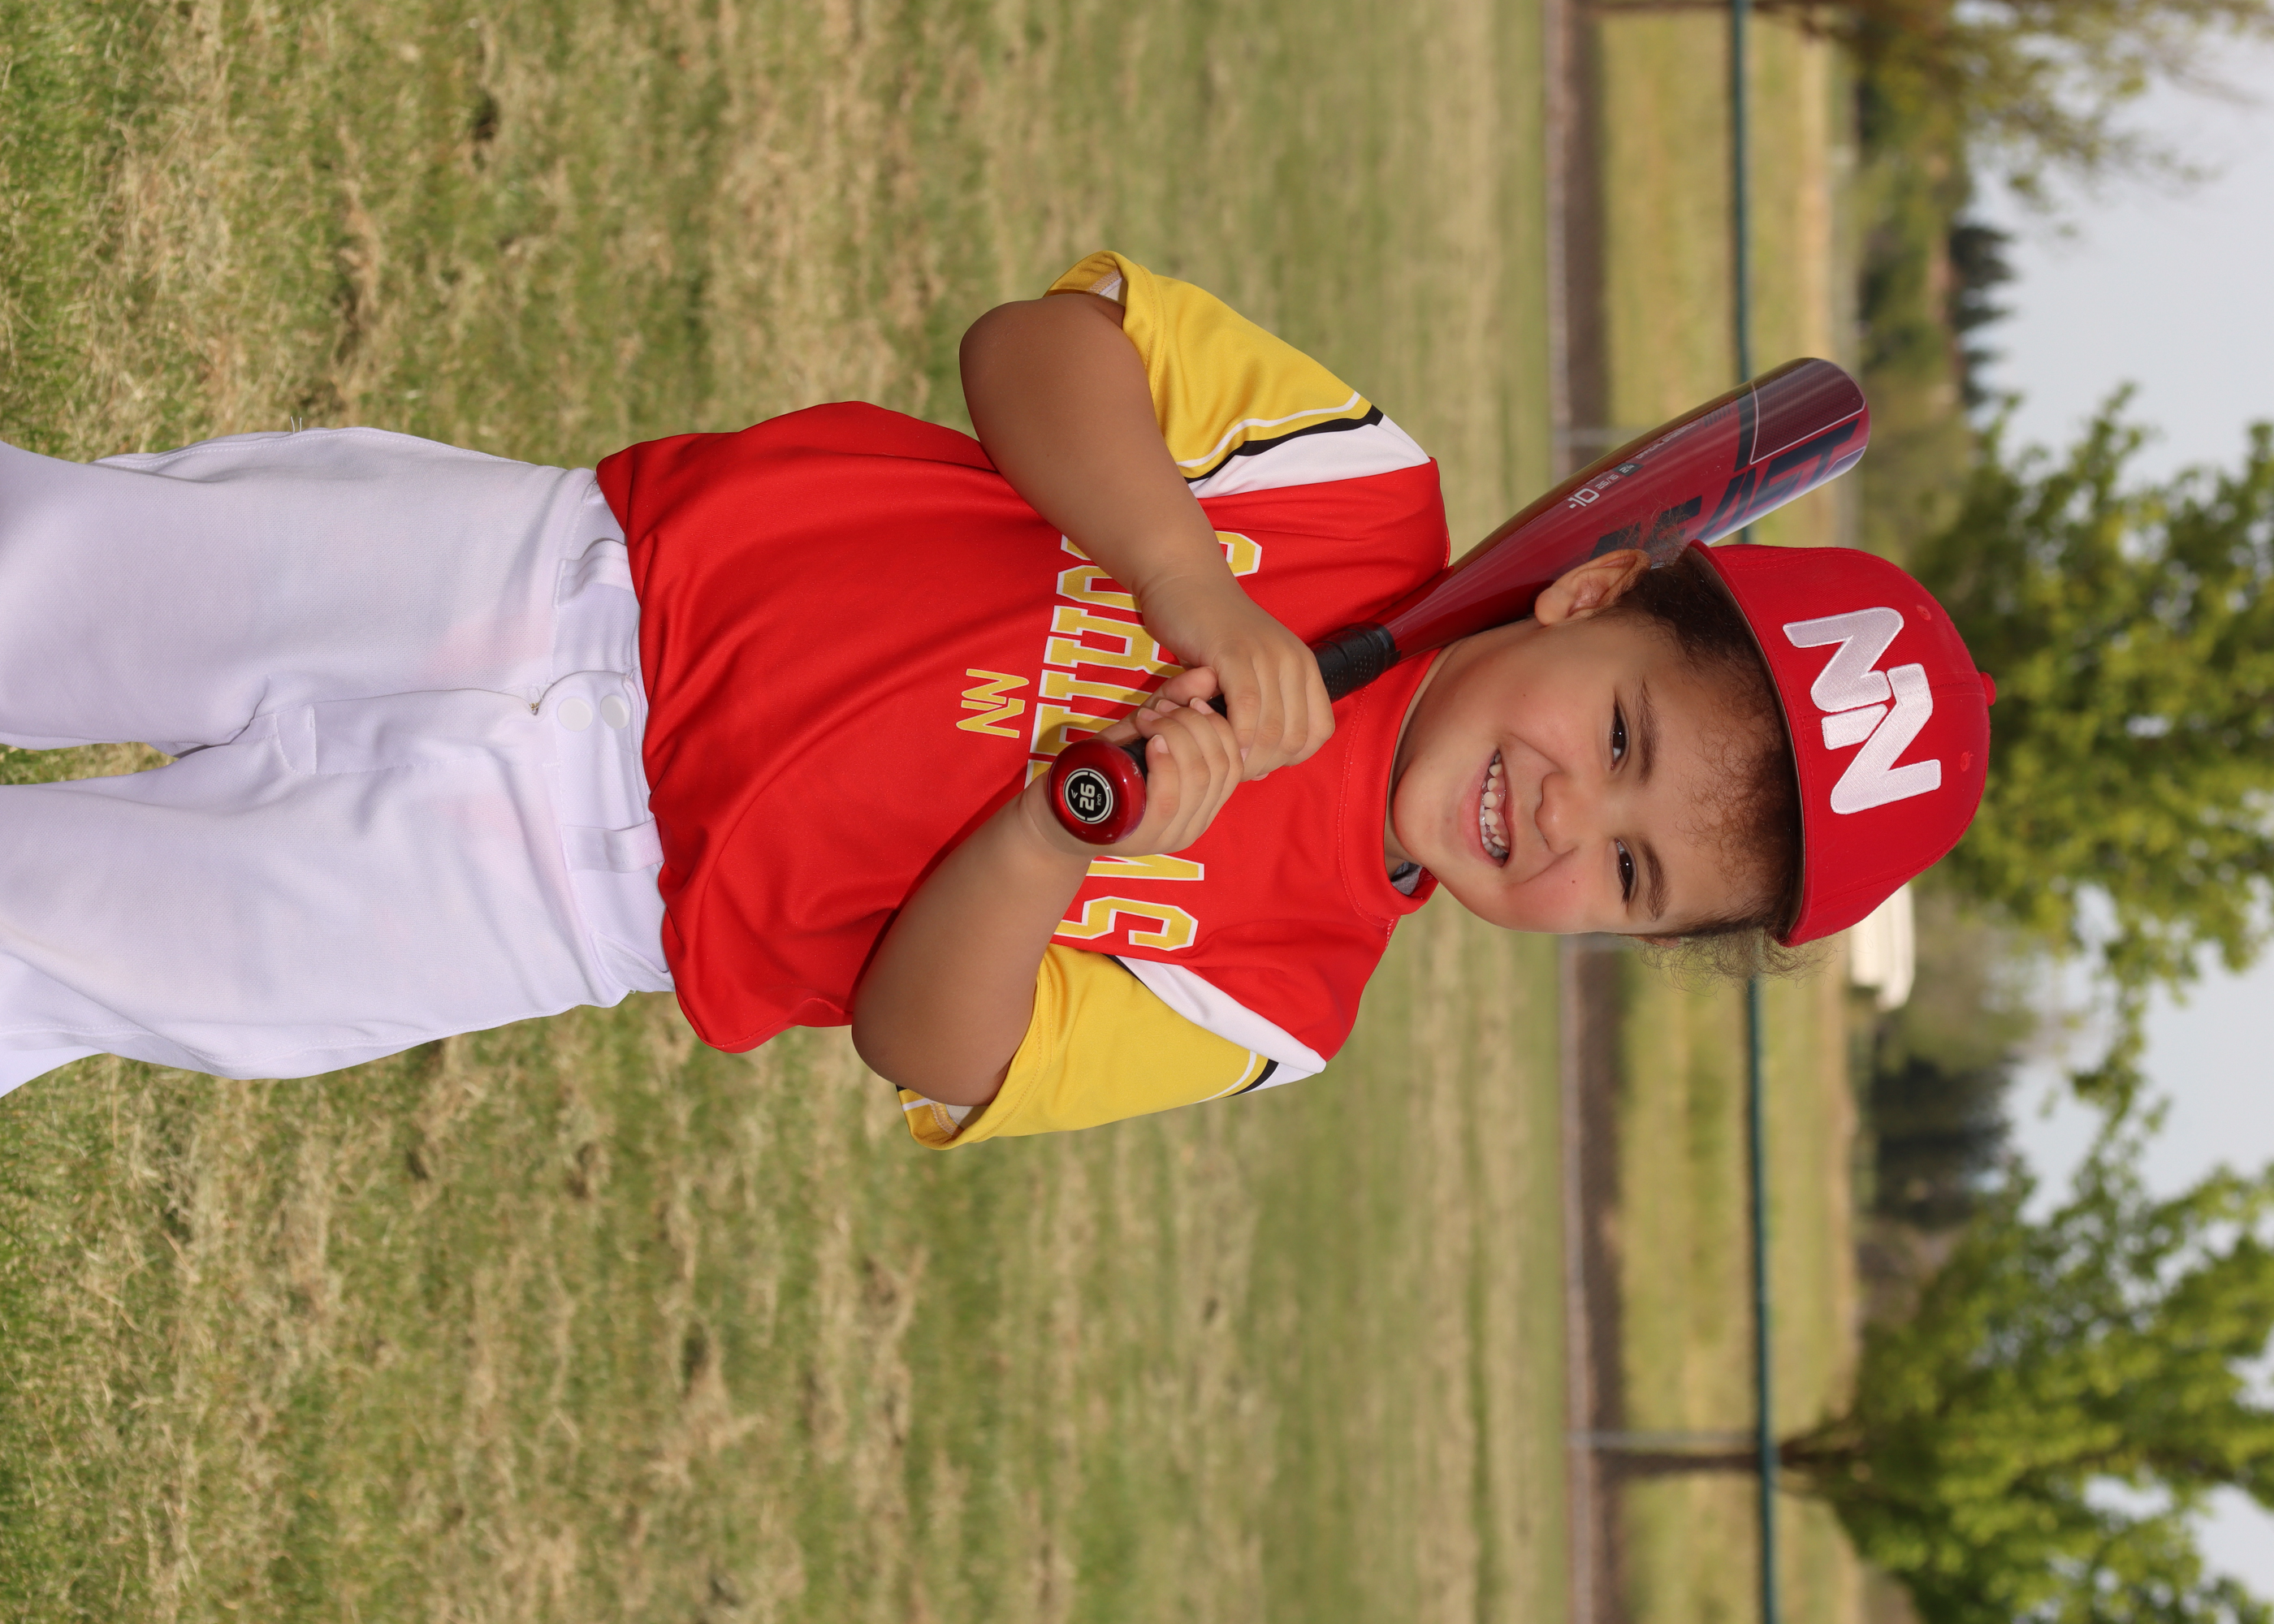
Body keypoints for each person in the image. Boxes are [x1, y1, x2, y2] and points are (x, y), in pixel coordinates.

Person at [0, 252, 1992, 1146]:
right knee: (52, 585)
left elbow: (930, 1043)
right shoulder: (1355, 489)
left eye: (1629, 874)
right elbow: (1034, 349)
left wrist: (1052, 837)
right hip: (559, 576)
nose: (1566, 816)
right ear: (1598, 583)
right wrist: (1189, 582)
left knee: (52, 938)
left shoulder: (1281, 996)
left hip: (546, 896)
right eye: (1622, 740)